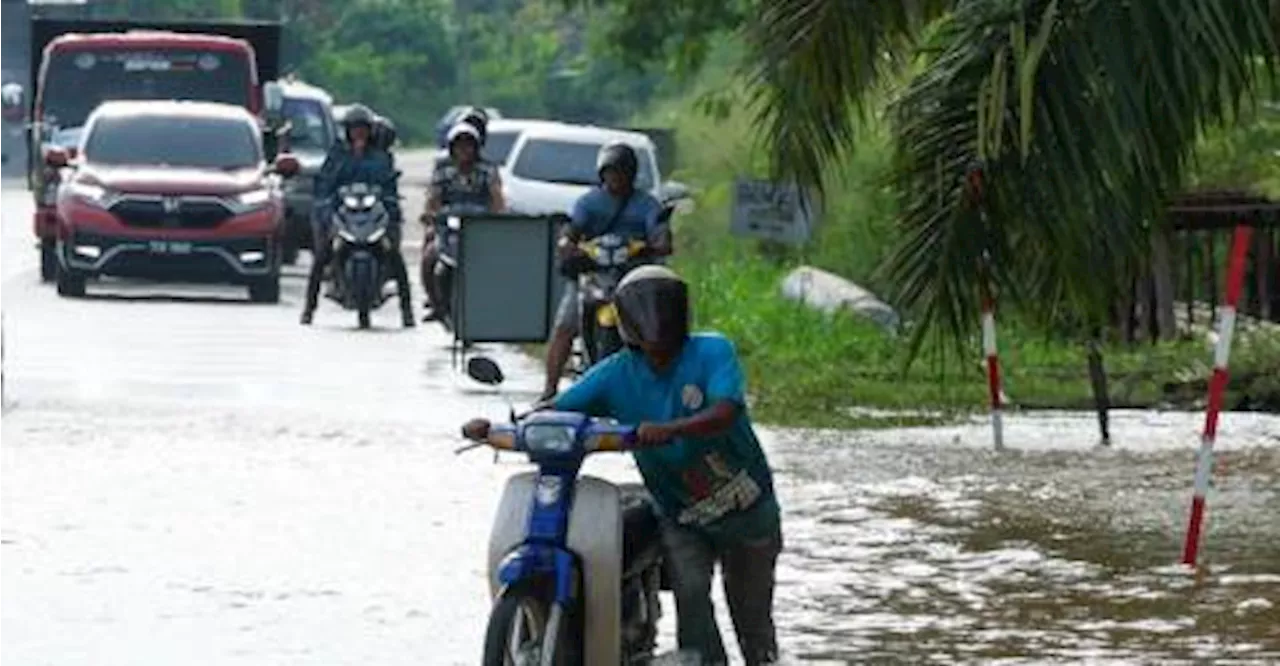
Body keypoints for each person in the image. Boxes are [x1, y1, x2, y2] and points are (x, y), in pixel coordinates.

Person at [462, 266, 783, 666]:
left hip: (748, 512)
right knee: (691, 599)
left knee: (752, 620)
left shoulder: (712, 352)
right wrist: (506, 428)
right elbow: (560, 408)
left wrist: (670, 429)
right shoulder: (616, 374)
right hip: (681, 515)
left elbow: (726, 410)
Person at [541, 141, 671, 400]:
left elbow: (660, 233)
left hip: (633, 277)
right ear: (602, 174)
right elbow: (571, 230)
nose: (616, 178)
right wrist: (568, 245)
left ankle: (660, 386)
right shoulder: (589, 202)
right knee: (566, 325)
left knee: (657, 328)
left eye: (622, 172)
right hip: (594, 275)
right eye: (611, 172)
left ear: (632, 175)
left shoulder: (647, 204)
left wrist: (656, 244)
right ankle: (549, 390)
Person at [301, 104, 414, 327]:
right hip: (345, 213)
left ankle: (407, 310)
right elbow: (325, 183)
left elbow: (389, 184)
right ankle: (309, 308)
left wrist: (391, 206)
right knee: (323, 254)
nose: (359, 133)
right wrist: (325, 204)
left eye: (363, 129)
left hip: (373, 213)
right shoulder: (338, 155)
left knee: (393, 254)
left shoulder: (381, 157)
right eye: (355, 129)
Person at [419, 121, 505, 321]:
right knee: (429, 257)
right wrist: (431, 216)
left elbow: (497, 199)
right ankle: (436, 303)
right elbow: (433, 198)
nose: (464, 150)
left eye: (468, 145)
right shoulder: (443, 171)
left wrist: (496, 218)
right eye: (459, 145)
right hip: (449, 228)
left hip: (479, 229)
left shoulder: (487, 171)